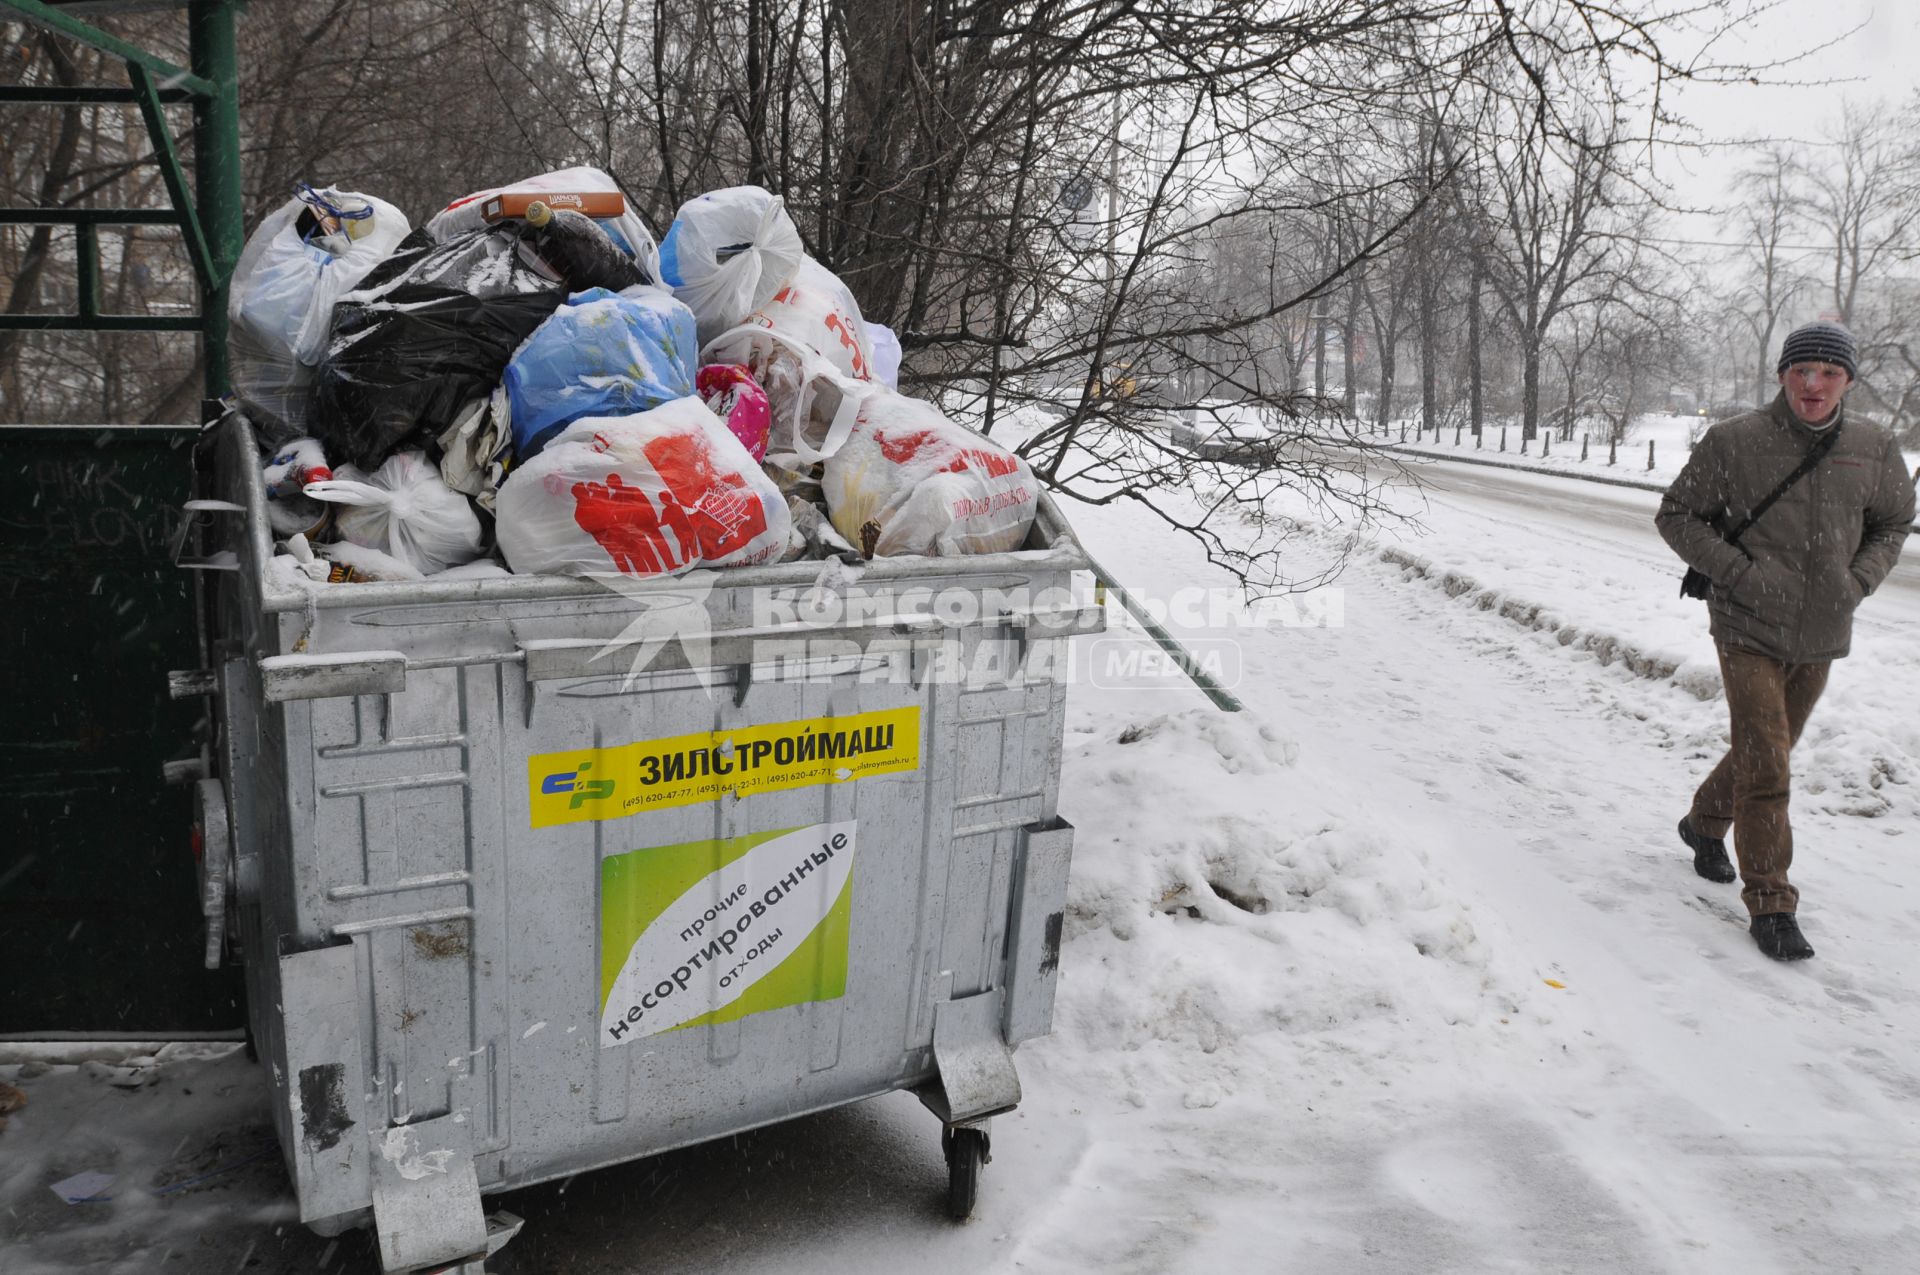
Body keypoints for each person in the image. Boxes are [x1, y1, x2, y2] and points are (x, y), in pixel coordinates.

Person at [1656, 320, 1913, 961]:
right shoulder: (1735, 442)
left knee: (1766, 746)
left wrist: (1858, 582)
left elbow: (1893, 522)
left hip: (1825, 628)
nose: (1813, 384)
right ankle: (1770, 900)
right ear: (1782, 376)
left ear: (1849, 380)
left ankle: (1704, 823)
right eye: (1801, 371)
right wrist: (1739, 574)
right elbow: (1677, 515)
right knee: (1769, 763)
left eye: (1829, 373)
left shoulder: (1874, 447)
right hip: (1747, 625)